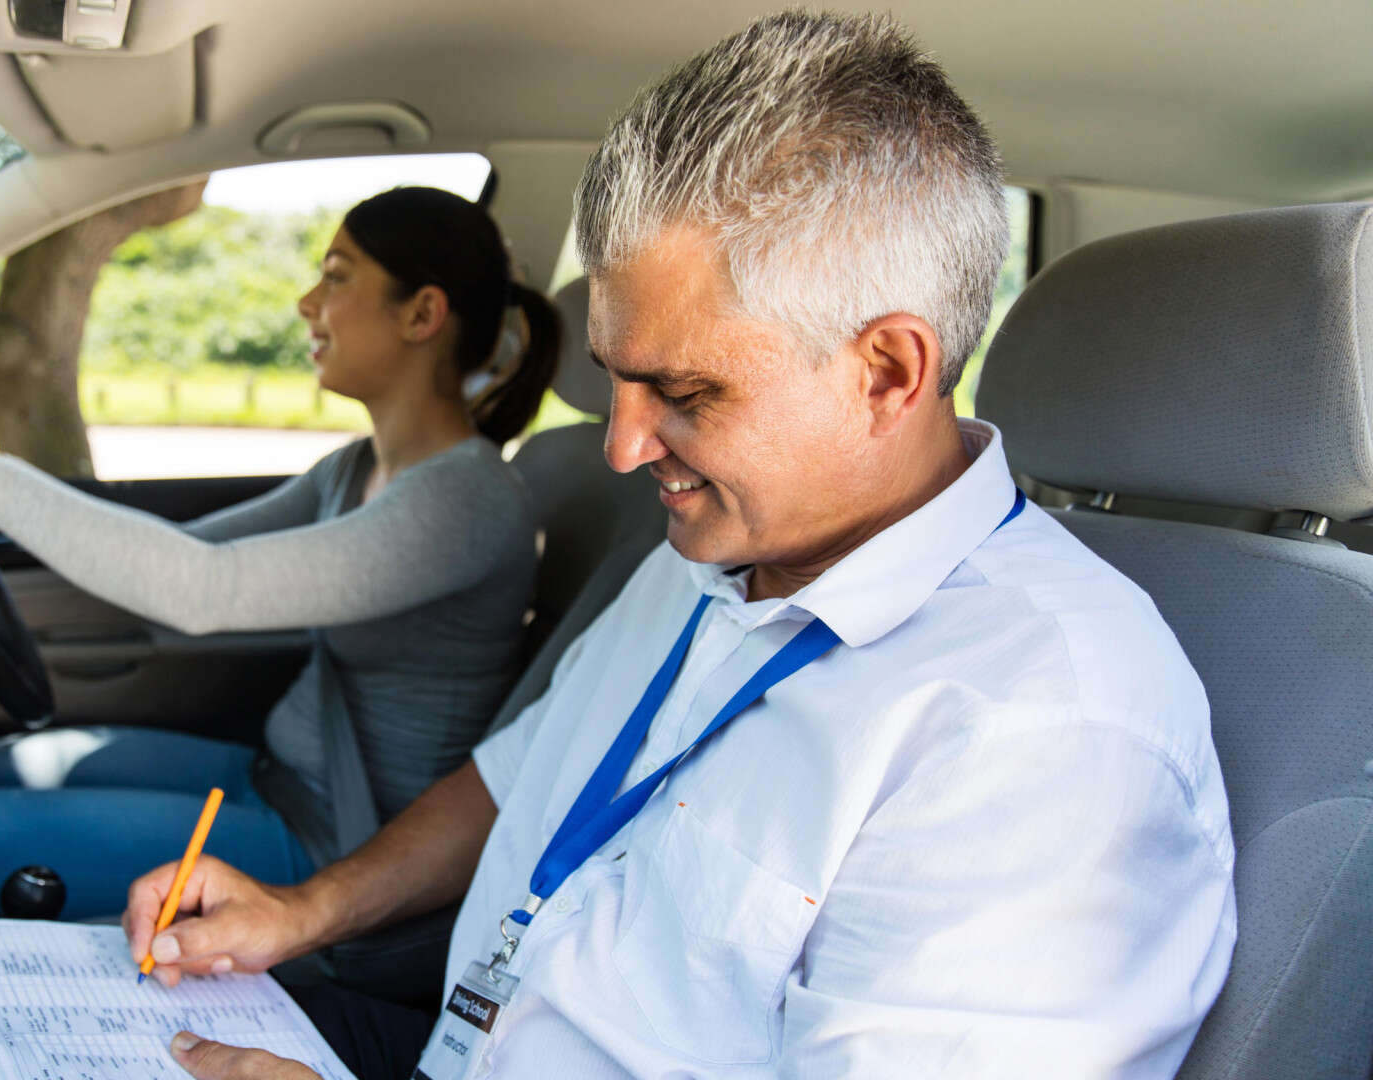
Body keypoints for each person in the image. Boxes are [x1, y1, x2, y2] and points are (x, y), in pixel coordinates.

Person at [120, 13, 1237, 1080]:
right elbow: (519, 779)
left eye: (686, 391)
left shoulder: (1043, 736)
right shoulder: (710, 552)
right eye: (616, 378)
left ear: (887, 373)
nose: (622, 449)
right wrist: (299, 912)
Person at [0, 186, 561, 919]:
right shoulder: (353, 468)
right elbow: (180, 555)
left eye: (337, 276)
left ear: (423, 314)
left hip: (341, 850)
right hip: (271, 778)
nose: (308, 301)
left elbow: (205, 591)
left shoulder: (463, 501)